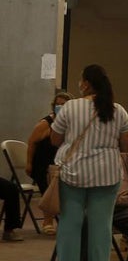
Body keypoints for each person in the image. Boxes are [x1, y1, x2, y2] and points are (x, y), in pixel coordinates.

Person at [49, 64, 128, 261]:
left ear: (86, 83)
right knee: (101, 226)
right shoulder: (118, 110)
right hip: (106, 173)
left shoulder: (70, 107)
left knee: (69, 224)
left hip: (72, 172)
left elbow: (55, 139)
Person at [25, 89, 71, 234]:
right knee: (51, 182)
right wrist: (28, 163)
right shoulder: (46, 123)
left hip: (59, 162)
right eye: (58, 104)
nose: (60, 106)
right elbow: (32, 142)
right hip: (42, 164)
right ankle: (48, 220)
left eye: (63, 104)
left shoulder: (70, 122)